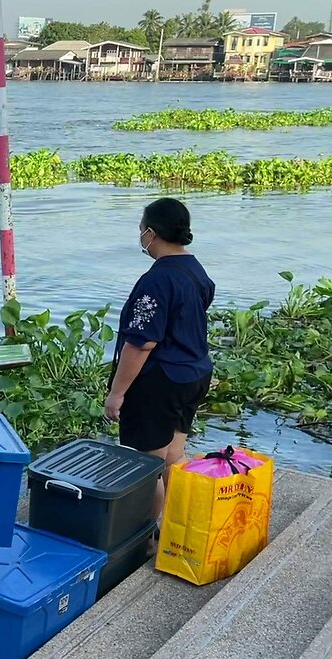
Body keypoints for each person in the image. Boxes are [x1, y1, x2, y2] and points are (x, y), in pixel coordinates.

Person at [104, 198, 215, 551]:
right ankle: (172, 528)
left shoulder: (157, 280)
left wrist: (117, 393)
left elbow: (142, 343)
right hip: (194, 374)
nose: (141, 236)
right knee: (173, 456)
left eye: (141, 229)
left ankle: (147, 538)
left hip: (160, 382)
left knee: (146, 464)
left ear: (151, 233)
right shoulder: (195, 270)